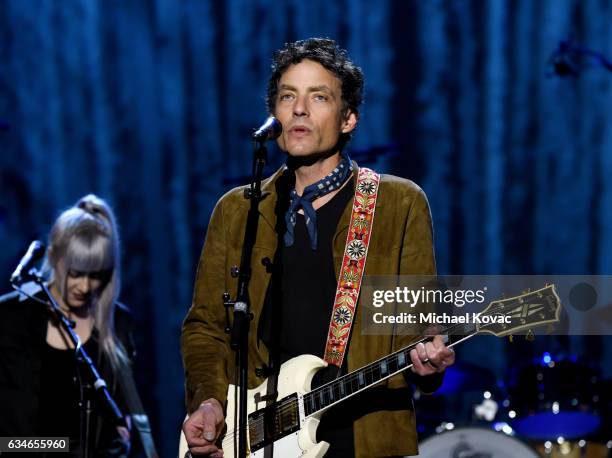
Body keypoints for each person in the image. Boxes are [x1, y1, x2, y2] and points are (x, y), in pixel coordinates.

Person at [181, 38, 455, 457]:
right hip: (256, 438)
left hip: (362, 440)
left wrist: (428, 361)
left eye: (318, 97)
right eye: (288, 96)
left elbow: (420, 325)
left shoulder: (397, 203)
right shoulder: (237, 211)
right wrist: (209, 401)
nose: (299, 109)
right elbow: (205, 326)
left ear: (348, 119)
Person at [0, 194, 151, 457]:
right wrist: (66, 448)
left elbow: (122, 429)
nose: (84, 287)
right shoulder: (11, 316)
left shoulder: (119, 324)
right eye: (76, 273)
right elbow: (8, 440)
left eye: (96, 275)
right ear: (53, 257)